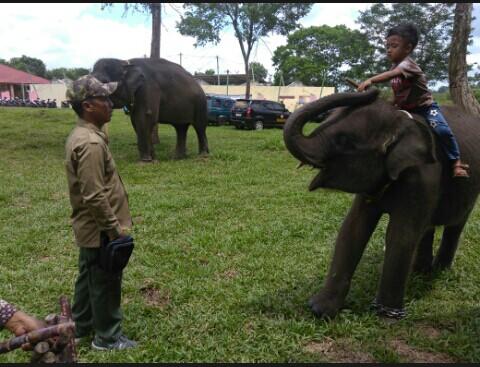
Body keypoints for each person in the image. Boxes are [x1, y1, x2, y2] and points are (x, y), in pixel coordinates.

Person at [65, 75, 137, 351]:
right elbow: (94, 195)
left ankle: (80, 326)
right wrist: (114, 229)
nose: (111, 104)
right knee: (106, 282)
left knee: (88, 276)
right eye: (104, 99)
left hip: (87, 227)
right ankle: (107, 337)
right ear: (87, 106)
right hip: (99, 229)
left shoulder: (85, 135)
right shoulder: (91, 144)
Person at [357, 23, 469, 178]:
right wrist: (390, 105)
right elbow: (399, 93)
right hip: (406, 108)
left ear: (408, 48)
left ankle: (456, 162)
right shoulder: (394, 68)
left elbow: (392, 74)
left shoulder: (408, 65)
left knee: (442, 130)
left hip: (425, 108)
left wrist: (371, 80)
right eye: (387, 46)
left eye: (394, 46)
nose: (389, 49)